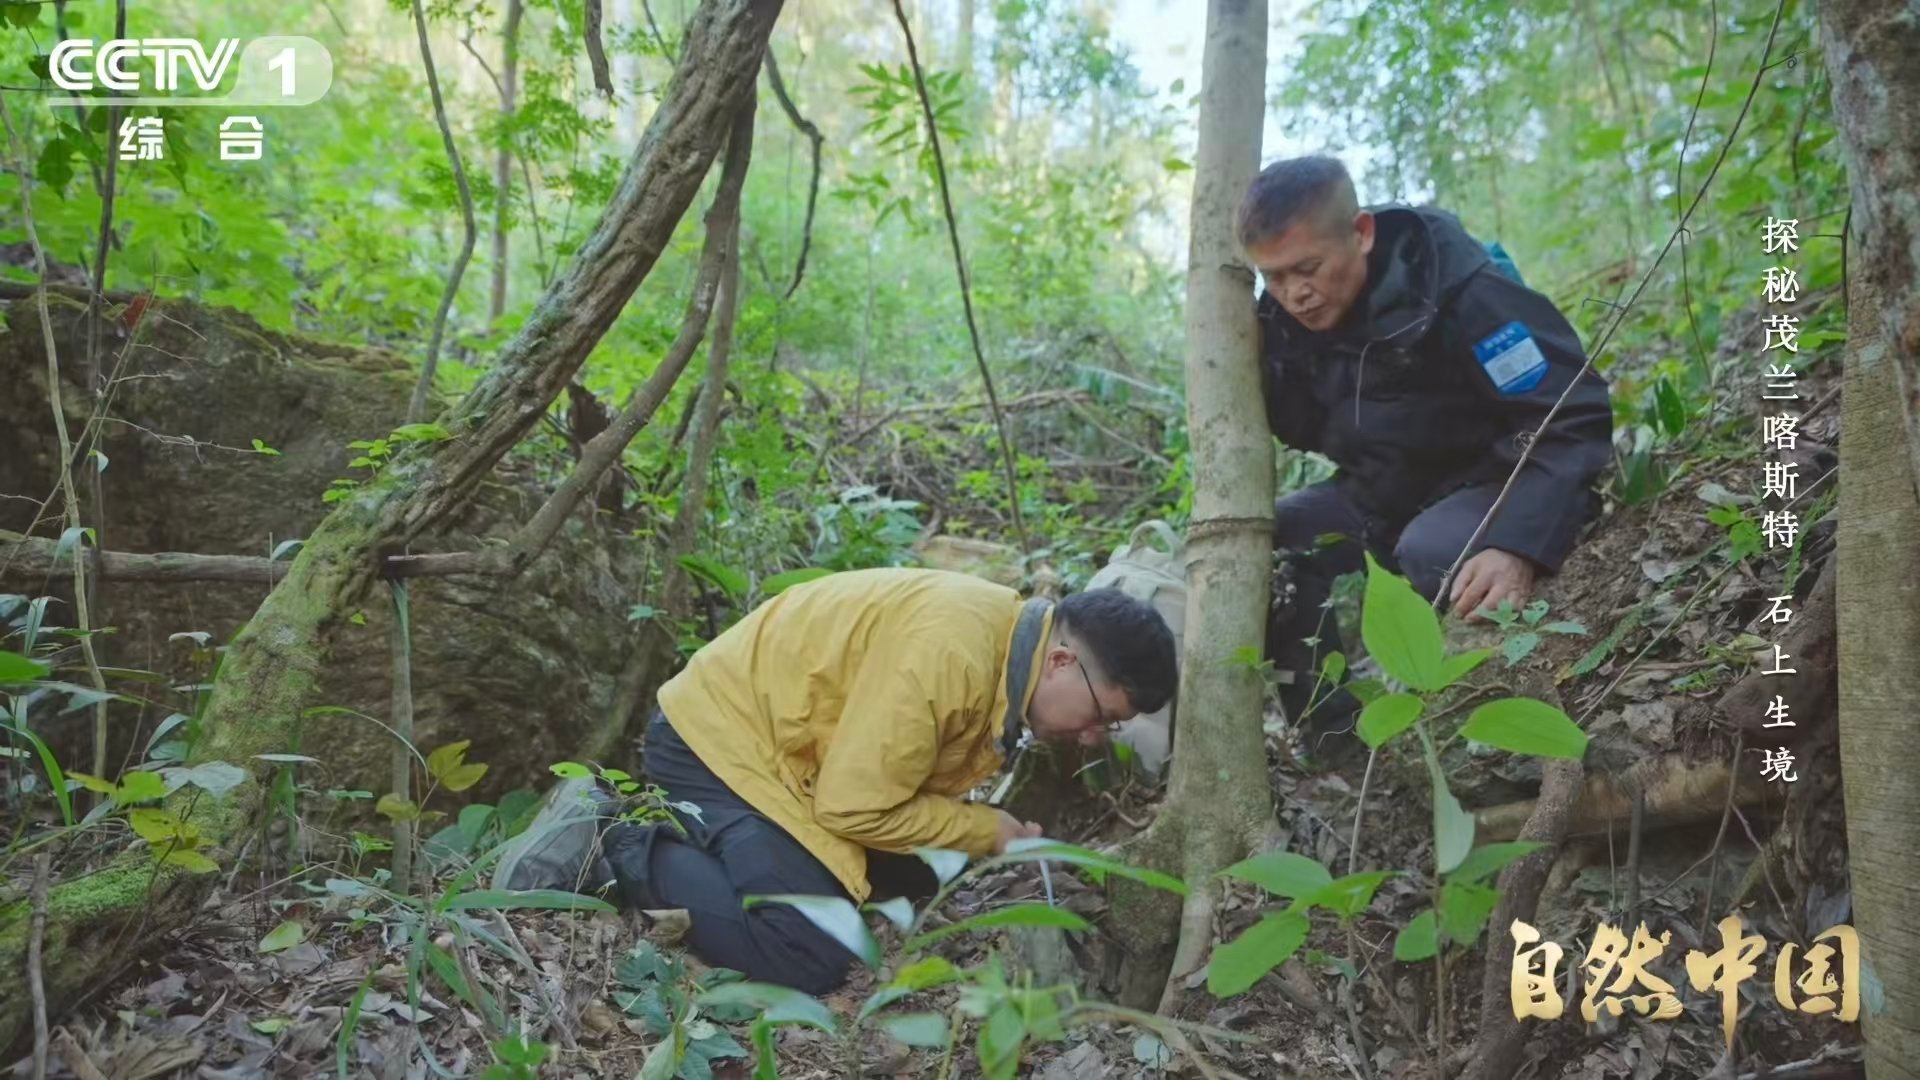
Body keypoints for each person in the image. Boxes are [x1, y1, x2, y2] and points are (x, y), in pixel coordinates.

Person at [596, 567, 1177, 994]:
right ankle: (617, 839)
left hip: (803, 765)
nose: (1095, 736)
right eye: (1102, 715)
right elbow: (853, 810)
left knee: (932, 869)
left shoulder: (1005, 639)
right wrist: (986, 827)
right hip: (721, 748)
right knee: (808, 955)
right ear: (1060, 663)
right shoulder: (950, 655)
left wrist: (979, 834)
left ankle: (733, 856)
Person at [1239, 156, 1612, 750]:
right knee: (1275, 537)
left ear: (1361, 233)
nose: (1295, 294)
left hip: (1494, 477)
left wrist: (1516, 543)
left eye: (1307, 269)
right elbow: (1305, 427)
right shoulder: (1281, 323)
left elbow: (1569, 412)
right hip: (1383, 490)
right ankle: (1333, 742)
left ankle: (1463, 729)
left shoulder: (1458, 285)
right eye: (1274, 278)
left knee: (1432, 551)